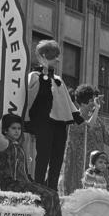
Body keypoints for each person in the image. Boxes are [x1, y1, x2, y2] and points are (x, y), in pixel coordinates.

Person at [0, 111, 66, 216]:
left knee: (53, 193)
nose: (17, 131)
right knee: (46, 195)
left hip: (23, 183)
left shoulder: (19, 147)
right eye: (13, 128)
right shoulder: (5, 144)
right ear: (6, 130)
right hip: (11, 184)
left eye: (19, 128)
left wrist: (32, 183)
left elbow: (25, 171)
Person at [24, 40, 83, 190]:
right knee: (43, 156)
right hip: (43, 121)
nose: (57, 59)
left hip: (60, 124)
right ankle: (38, 187)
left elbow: (68, 103)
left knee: (57, 159)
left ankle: (52, 189)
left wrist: (77, 116)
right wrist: (44, 71)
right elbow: (32, 95)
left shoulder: (58, 79)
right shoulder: (34, 76)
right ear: (44, 56)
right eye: (54, 56)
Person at [59, 85, 109, 196]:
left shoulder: (97, 120)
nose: (94, 103)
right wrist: (97, 109)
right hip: (81, 169)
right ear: (83, 103)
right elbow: (87, 126)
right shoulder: (74, 119)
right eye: (91, 101)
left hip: (98, 168)